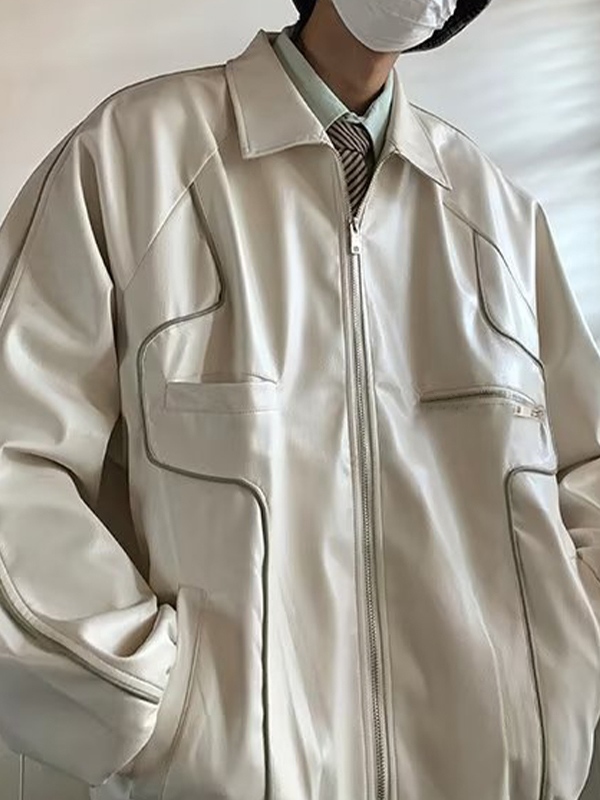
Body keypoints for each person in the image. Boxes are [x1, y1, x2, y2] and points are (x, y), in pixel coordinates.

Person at [0, 0, 599, 798]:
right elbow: (14, 459)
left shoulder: (498, 215)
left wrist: (563, 674)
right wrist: (153, 707)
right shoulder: (131, 162)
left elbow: (586, 463)